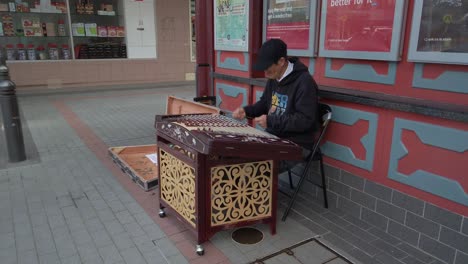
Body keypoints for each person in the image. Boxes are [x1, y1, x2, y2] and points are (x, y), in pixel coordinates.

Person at [232, 38, 319, 173]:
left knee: (255, 168)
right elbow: (265, 103)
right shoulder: (274, 78)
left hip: (297, 143)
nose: (265, 72)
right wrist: (247, 110)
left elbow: (305, 120)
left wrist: (271, 121)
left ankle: (259, 193)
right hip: (274, 136)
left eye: (267, 67)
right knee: (238, 156)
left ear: (281, 61)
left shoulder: (304, 82)